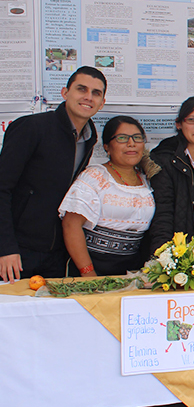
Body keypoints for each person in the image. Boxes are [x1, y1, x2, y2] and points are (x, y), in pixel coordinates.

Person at [0, 66, 107, 281]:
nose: (88, 97)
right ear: (65, 93)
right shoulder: (32, 128)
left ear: (102, 102)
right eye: (81, 89)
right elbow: (2, 188)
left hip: (56, 255)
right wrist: (5, 248)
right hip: (17, 251)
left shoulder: (89, 138)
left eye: (96, 93)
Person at [59, 116, 155, 276]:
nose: (131, 144)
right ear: (107, 147)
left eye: (137, 138)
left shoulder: (147, 180)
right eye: (122, 138)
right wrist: (88, 273)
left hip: (131, 270)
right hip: (93, 266)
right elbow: (71, 225)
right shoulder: (95, 177)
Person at [148, 97, 194, 253]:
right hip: (176, 248)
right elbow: (162, 214)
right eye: (191, 120)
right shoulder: (165, 159)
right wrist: (163, 254)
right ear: (179, 124)